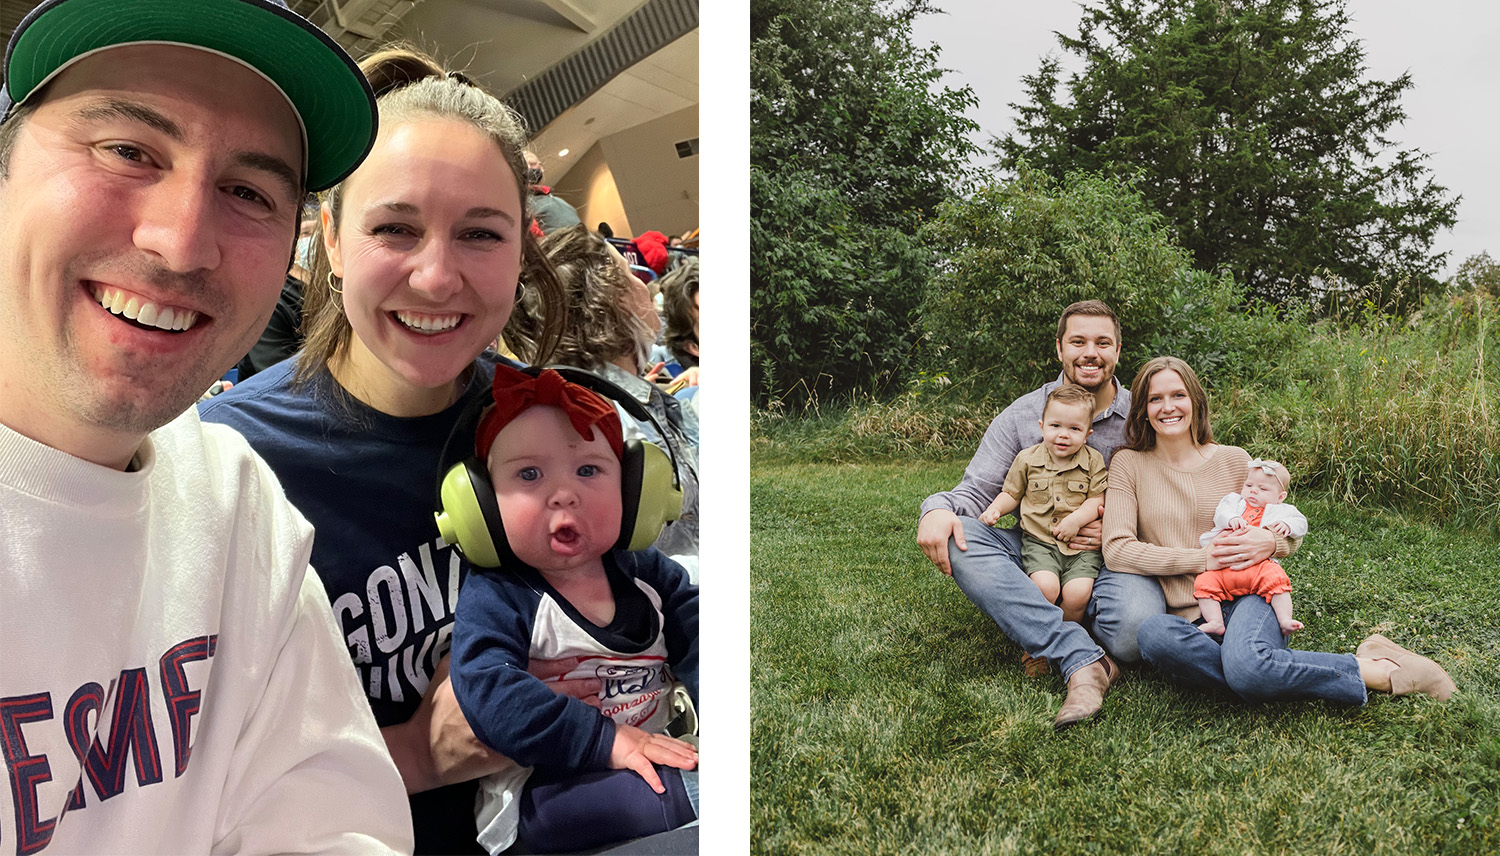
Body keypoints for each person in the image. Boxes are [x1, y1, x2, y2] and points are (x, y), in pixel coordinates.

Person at [0, 0, 413, 852]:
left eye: (247, 191)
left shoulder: (233, 504)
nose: (183, 242)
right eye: (127, 150)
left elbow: (335, 830)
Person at [199, 46, 572, 854]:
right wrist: (415, 753)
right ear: (328, 243)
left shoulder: (546, 421)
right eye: (395, 228)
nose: (438, 278)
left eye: (480, 233)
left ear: (520, 248)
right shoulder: (229, 470)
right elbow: (192, 794)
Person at [446, 365, 699, 854]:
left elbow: (700, 633)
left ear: (634, 490)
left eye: (588, 470)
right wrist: (609, 742)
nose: (564, 493)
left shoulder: (647, 572)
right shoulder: (499, 595)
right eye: (529, 474)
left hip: (648, 753)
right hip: (546, 795)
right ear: (480, 507)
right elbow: (491, 695)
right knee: (694, 790)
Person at [1104, 357, 1457, 705]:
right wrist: (1202, 559)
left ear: (1195, 401)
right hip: (1192, 614)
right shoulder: (1129, 463)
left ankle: (1377, 672)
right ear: (1142, 408)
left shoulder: (1235, 459)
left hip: (1252, 595)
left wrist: (1270, 540)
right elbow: (1117, 548)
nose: (1168, 407)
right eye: (1155, 399)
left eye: (1178, 395)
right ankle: (1267, 667)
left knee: (1246, 668)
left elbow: (1287, 524)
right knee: (1153, 634)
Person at [917, 300, 1130, 729]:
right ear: (1059, 349)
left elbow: (1179, 488)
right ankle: (1082, 656)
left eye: (1102, 342)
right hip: (1038, 549)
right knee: (964, 539)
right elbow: (978, 491)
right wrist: (936, 509)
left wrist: (1114, 527)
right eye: (1078, 342)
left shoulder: (1142, 415)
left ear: (1117, 351)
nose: (1090, 352)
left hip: (1115, 559)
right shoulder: (1022, 416)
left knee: (1132, 635)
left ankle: (1046, 627)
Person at [506, 225, 701, 565]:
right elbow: (634, 567)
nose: (644, 285)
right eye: (629, 274)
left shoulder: (620, 404)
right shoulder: (604, 425)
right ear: (614, 301)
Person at [978, 384, 1108, 636]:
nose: (1063, 435)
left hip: (1080, 547)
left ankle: (1067, 637)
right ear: (1041, 426)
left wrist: (1077, 519)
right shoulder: (1027, 459)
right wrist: (995, 509)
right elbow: (1011, 493)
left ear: (1087, 434)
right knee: (1045, 589)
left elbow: (1096, 498)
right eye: (1055, 426)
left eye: (1074, 429)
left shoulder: (1092, 461)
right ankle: (1039, 641)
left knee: (1078, 593)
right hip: (1040, 543)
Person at [1194, 458, 1308, 636]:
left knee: (1277, 579)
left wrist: (1288, 525)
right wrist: (1231, 518)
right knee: (1204, 583)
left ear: (1280, 497)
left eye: (1263, 489)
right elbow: (1221, 513)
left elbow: (1301, 523)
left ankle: (1285, 619)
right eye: (1249, 485)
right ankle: (1215, 622)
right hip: (1223, 567)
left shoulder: (1282, 510)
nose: (1253, 491)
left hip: (1259, 567)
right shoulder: (1234, 502)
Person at [523, 149, 582, 234]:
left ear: (541, 167)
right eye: (524, 167)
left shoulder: (557, 200)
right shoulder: (524, 206)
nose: (529, 168)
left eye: (532, 164)